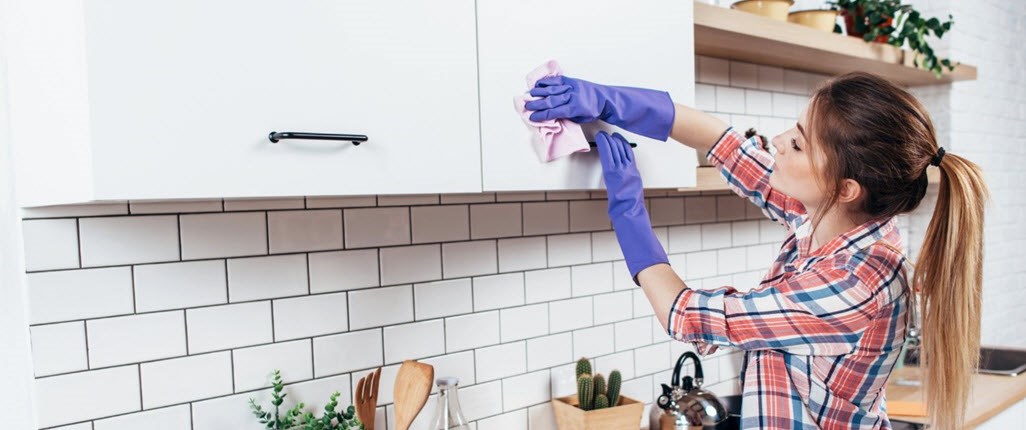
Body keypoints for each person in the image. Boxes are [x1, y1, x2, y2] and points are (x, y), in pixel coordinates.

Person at [525, 71, 988, 430]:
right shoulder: (836, 221)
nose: (779, 142)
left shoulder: (853, 283)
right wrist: (611, 100)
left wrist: (628, 212)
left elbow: (685, 314)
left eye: (799, 145)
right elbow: (723, 143)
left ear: (845, 188)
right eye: (795, 128)